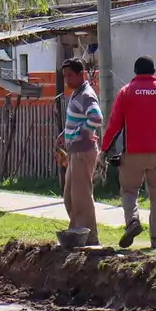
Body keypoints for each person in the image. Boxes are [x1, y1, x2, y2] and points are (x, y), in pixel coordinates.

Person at [102, 55, 156, 250]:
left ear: (135, 71)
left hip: (133, 154)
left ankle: (132, 222)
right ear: (154, 71)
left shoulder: (126, 92)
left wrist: (103, 150)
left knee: (129, 190)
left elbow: (114, 126)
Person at [58, 58, 103, 243]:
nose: (67, 79)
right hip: (74, 151)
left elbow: (96, 117)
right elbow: (80, 118)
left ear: (80, 74)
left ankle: (90, 238)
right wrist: (65, 133)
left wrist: (82, 133)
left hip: (83, 151)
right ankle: (77, 232)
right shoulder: (77, 93)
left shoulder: (86, 94)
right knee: (70, 196)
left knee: (81, 197)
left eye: (70, 75)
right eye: (64, 76)